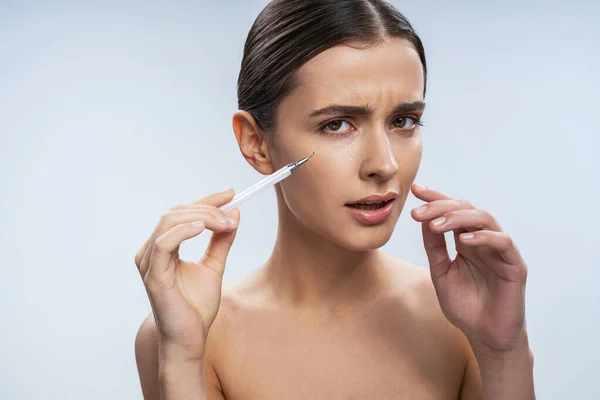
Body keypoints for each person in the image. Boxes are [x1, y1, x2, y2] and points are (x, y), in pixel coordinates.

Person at [134, 1, 535, 398]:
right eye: (337, 125)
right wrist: (183, 356)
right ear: (256, 144)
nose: (384, 164)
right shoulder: (189, 333)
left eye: (403, 121)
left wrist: (503, 353)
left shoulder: (464, 322)